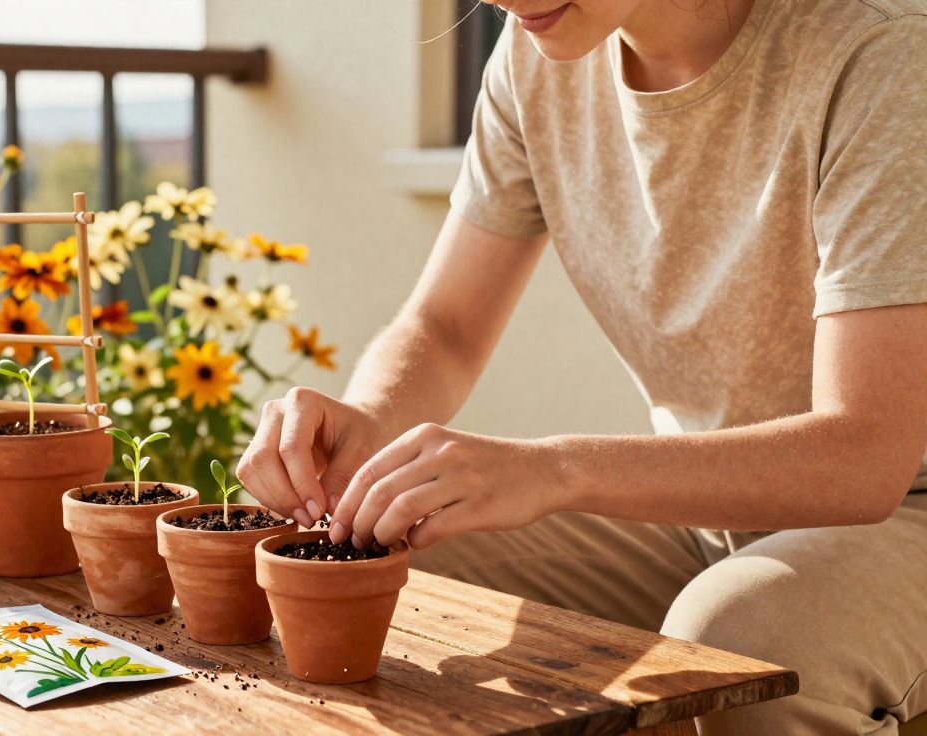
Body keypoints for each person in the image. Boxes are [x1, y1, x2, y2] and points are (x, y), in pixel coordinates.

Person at [236, 0, 927, 732]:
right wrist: (368, 421)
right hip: (706, 514)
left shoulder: (878, 55)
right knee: (354, 557)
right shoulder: (535, 57)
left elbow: (865, 456)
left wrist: (557, 470)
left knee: (743, 642)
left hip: (903, 509)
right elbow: (445, 326)